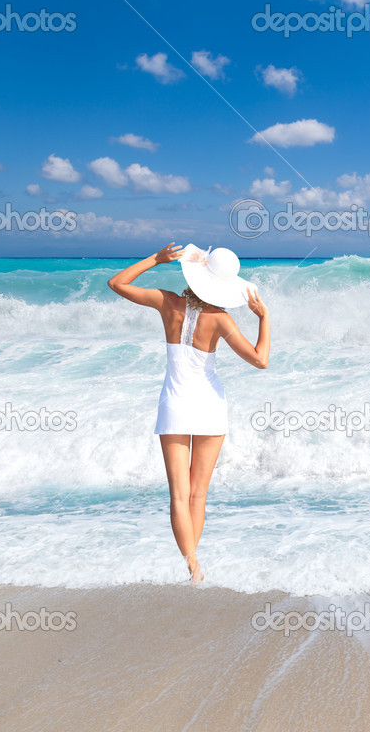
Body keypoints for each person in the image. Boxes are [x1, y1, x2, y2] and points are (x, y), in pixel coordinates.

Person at [107, 241, 269, 583]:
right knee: (198, 495)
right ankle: (195, 570)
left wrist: (155, 258)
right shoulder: (221, 319)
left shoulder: (168, 303)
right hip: (210, 406)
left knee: (179, 496)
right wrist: (264, 318)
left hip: (174, 406)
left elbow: (117, 284)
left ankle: (193, 565)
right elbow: (260, 360)